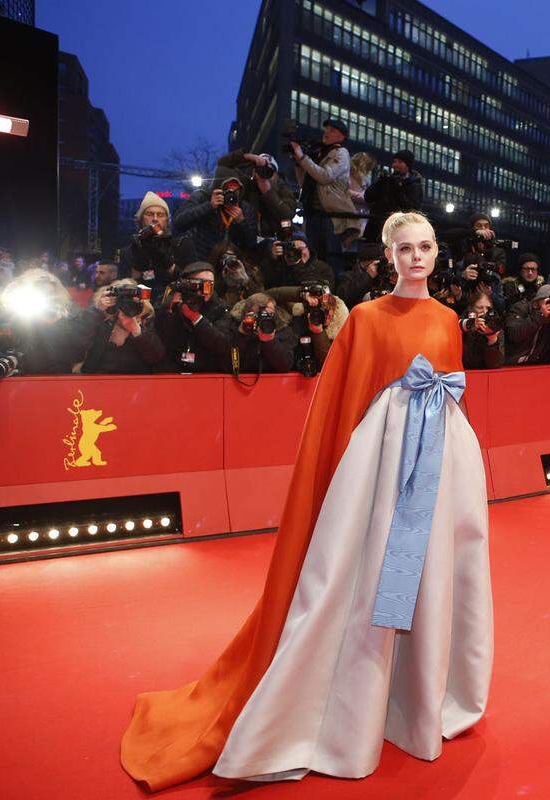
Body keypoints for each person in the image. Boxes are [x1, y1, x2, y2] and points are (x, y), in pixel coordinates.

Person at [121, 211, 492, 789]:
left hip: (439, 469)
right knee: (365, 581)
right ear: (388, 256)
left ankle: (416, 699)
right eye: (405, 249)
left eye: (425, 248)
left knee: (433, 577)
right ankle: (354, 706)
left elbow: (453, 395)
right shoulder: (365, 319)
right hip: (378, 471)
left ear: (437, 252)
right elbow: (345, 400)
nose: (416, 258)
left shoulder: (449, 321)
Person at [291, 118, 358, 263]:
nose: (326, 132)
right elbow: (304, 183)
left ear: (342, 136)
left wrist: (302, 157)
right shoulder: (320, 153)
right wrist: (299, 163)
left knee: (331, 255)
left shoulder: (341, 153)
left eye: (332, 130)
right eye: (326, 129)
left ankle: (332, 283)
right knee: (312, 254)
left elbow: (325, 176)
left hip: (331, 214)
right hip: (314, 212)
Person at [154, 261, 233, 373]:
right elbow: (162, 342)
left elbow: (222, 346)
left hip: (206, 372)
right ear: (186, 284)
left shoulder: (220, 308)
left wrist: (196, 319)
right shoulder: (170, 303)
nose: (206, 289)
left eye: (210, 284)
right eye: (200, 284)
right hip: (173, 371)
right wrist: (171, 311)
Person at [79, 279, 166, 374]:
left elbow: (156, 357)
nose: (127, 303)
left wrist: (137, 331)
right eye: (122, 298)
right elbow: (75, 347)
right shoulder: (100, 318)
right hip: (98, 381)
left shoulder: (145, 319)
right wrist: (96, 311)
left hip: (136, 384)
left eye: (131, 298)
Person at [172, 169, 259, 260]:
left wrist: (242, 221)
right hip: (201, 258)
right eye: (228, 191)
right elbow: (178, 222)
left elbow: (252, 244)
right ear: (218, 189)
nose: (231, 195)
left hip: (232, 261)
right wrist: (209, 206)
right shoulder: (202, 197)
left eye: (235, 191)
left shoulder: (245, 208)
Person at [363, 150, 423, 245]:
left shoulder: (414, 184)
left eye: (400, 162)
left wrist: (398, 189)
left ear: (407, 165)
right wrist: (379, 183)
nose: (395, 165)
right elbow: (368, 197)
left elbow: (412, 207)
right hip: (377, 227)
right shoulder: (388, 180)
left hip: (398, 229)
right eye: (394, 161)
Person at [505, 284, 550, 366]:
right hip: (512, 364)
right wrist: (540, 315)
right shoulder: (520, 308)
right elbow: (514, 334)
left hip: (538, 365)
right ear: (536, 303)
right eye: (548, 302)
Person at [460, 289, 504, 369]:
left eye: (488, 308)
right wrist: (472, 329)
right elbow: (466, 361)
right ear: (471, 310)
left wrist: (492, 340)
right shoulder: (461, 325)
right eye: (480, 308)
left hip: (487, 376)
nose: (484, 311)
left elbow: (495, 365)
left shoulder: (495, 326)